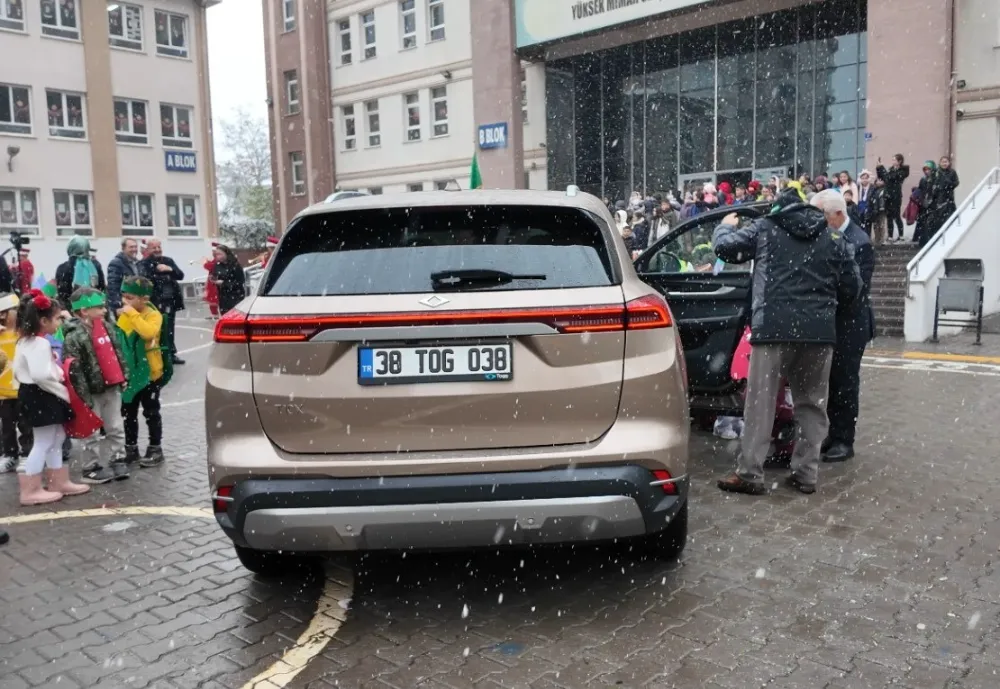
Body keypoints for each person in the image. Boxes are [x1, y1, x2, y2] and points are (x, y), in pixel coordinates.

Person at [712, 188, 861, 496]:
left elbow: (725, 249)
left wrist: (724, 227)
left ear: (777, 210)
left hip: (773, 330)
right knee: (812, 405)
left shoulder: (766, 228)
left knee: (761, 403)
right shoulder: (833, 238)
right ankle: (806, 473)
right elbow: (853, 289)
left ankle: (750, 473)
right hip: (818, 334)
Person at [811, 190, 875, 463]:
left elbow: (855, 290)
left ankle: (843, 440)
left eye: (822, 215)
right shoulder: (826, 237)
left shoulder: (860, 242)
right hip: (831, 322)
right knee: (830, 382)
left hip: (850, 324)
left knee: (845, 383)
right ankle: (832, 434)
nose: (818, 221)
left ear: (838, 214)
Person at [14, 290, 88, 505]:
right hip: (42, 394)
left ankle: (58, 481)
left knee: (56, 437)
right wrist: (62, 389)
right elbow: (41, 375)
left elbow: (22, 371)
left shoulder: (26, 341)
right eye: (56, 318)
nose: (59, 323)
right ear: (44, 321)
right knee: (44, 441)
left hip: (35, 394)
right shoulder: (40, 344)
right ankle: (31, 490)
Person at [63, 287, 130, 484]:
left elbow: (118, 353)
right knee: (90, 431)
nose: (104, 310)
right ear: (84, 311)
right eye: (99, 307)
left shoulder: (107, 327)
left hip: (111, 387)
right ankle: (90, 467)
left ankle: (118, 458)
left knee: (115, 426)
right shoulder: (73, 336)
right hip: (90, 393)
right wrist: (83, 396)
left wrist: (123, 375)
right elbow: (74, 370)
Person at [118, 276, 172, 467]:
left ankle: (155, 448)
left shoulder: (153, 315)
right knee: (128, 413)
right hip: (130, 375)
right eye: (124, 297)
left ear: (144, 298)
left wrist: (132, 314)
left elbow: (148, 333)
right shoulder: (126, 315)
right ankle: (131, 449)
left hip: (150, 374)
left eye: (130, 298)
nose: (125, 301)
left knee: (151, 412)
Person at [138, 239, 185, 365]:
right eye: (154, 247)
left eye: (159, 247)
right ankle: (158, 355)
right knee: (156, 330)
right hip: (155, 302)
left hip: (170, 301)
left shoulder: (168, 261)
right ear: (148, 249)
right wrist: (159, 273)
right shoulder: (144, 263)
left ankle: (171, 354)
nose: (157, 250)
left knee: (169, 329)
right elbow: (145, 279)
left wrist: (169, 269)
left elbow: (180, 275)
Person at [0, 293, 30, 474]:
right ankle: (10, 454)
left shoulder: (23, 332)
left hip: (22, 388)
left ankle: (28, 453)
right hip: (4, 391)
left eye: (6, 312)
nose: (3, 316)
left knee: (26, 424)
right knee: (7, 426)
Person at [56, 236, 106, 307]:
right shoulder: (95, 265)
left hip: (74, 308)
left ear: (70, 248)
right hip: (94, 305)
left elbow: (63, 293)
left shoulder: (63, 268)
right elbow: (101, 288)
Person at [877, 154, 910, 241]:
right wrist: (878, 168)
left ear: (899, 161)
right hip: (888, 195)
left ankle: (901, 236)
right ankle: (890, 236)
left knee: (896, 215)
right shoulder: (891, 169)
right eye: (892, 160)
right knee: (889, 216)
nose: (893, 161)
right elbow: (882, 177)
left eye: (894, 160)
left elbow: (890, 177)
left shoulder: (903, 171)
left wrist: (882, 168)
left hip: (896, 196)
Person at [928, 155, 959, 241]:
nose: (944, 164)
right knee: (936, 219)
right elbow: (930, 183)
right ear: (940, 163)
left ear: (949, 163)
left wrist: (948, 182)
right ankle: (936, 237)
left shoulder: (952, 172)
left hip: (948, 198)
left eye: (946, 162)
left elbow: (956, 183)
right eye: (942, 162)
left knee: (948, 218)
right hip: (937, 198)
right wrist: (934, 189)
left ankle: (948, 236)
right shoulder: (936, 172)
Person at [106, 237, 141, 314]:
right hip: (123, 305)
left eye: (135, 247)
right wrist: (118, 305)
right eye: (131, 247)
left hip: (134, 304)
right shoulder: (116, 263)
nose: (134, 249)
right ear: (123, 248)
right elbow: (113, 286)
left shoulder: (137, 263)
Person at [210, 244, 246, 316]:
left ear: (226, 253)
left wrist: (224, 283)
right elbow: (214, 275)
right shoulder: (217, 265)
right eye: (216, 254)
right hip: (223, 297)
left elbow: (240, 281)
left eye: (220, 254)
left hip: (235, 296)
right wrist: (213, 279)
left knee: (235, 317)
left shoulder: (235, 265)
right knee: (225, 316)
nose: (218, 256)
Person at [914, 161, 937, 247]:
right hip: (924, 204)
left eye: (929, 169)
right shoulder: (923, 179)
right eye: (925, 169)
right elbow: (921, 190)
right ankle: (922, 241)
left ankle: (929, 241)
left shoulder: (936, 179)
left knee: (930, 224)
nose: (927, 171)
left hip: (933, 205)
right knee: (922, 224)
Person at [866, 177, 888, 245]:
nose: (879, 182)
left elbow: (884, 200)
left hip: (881, 210)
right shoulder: (873, 189)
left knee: (881, 225)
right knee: (875, 225)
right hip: (874, 210)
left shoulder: (885, 190)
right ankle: (877, 238)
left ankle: (882, 239)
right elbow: (870, 199)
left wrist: (882, 207)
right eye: (878, 180)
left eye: (881, 180)